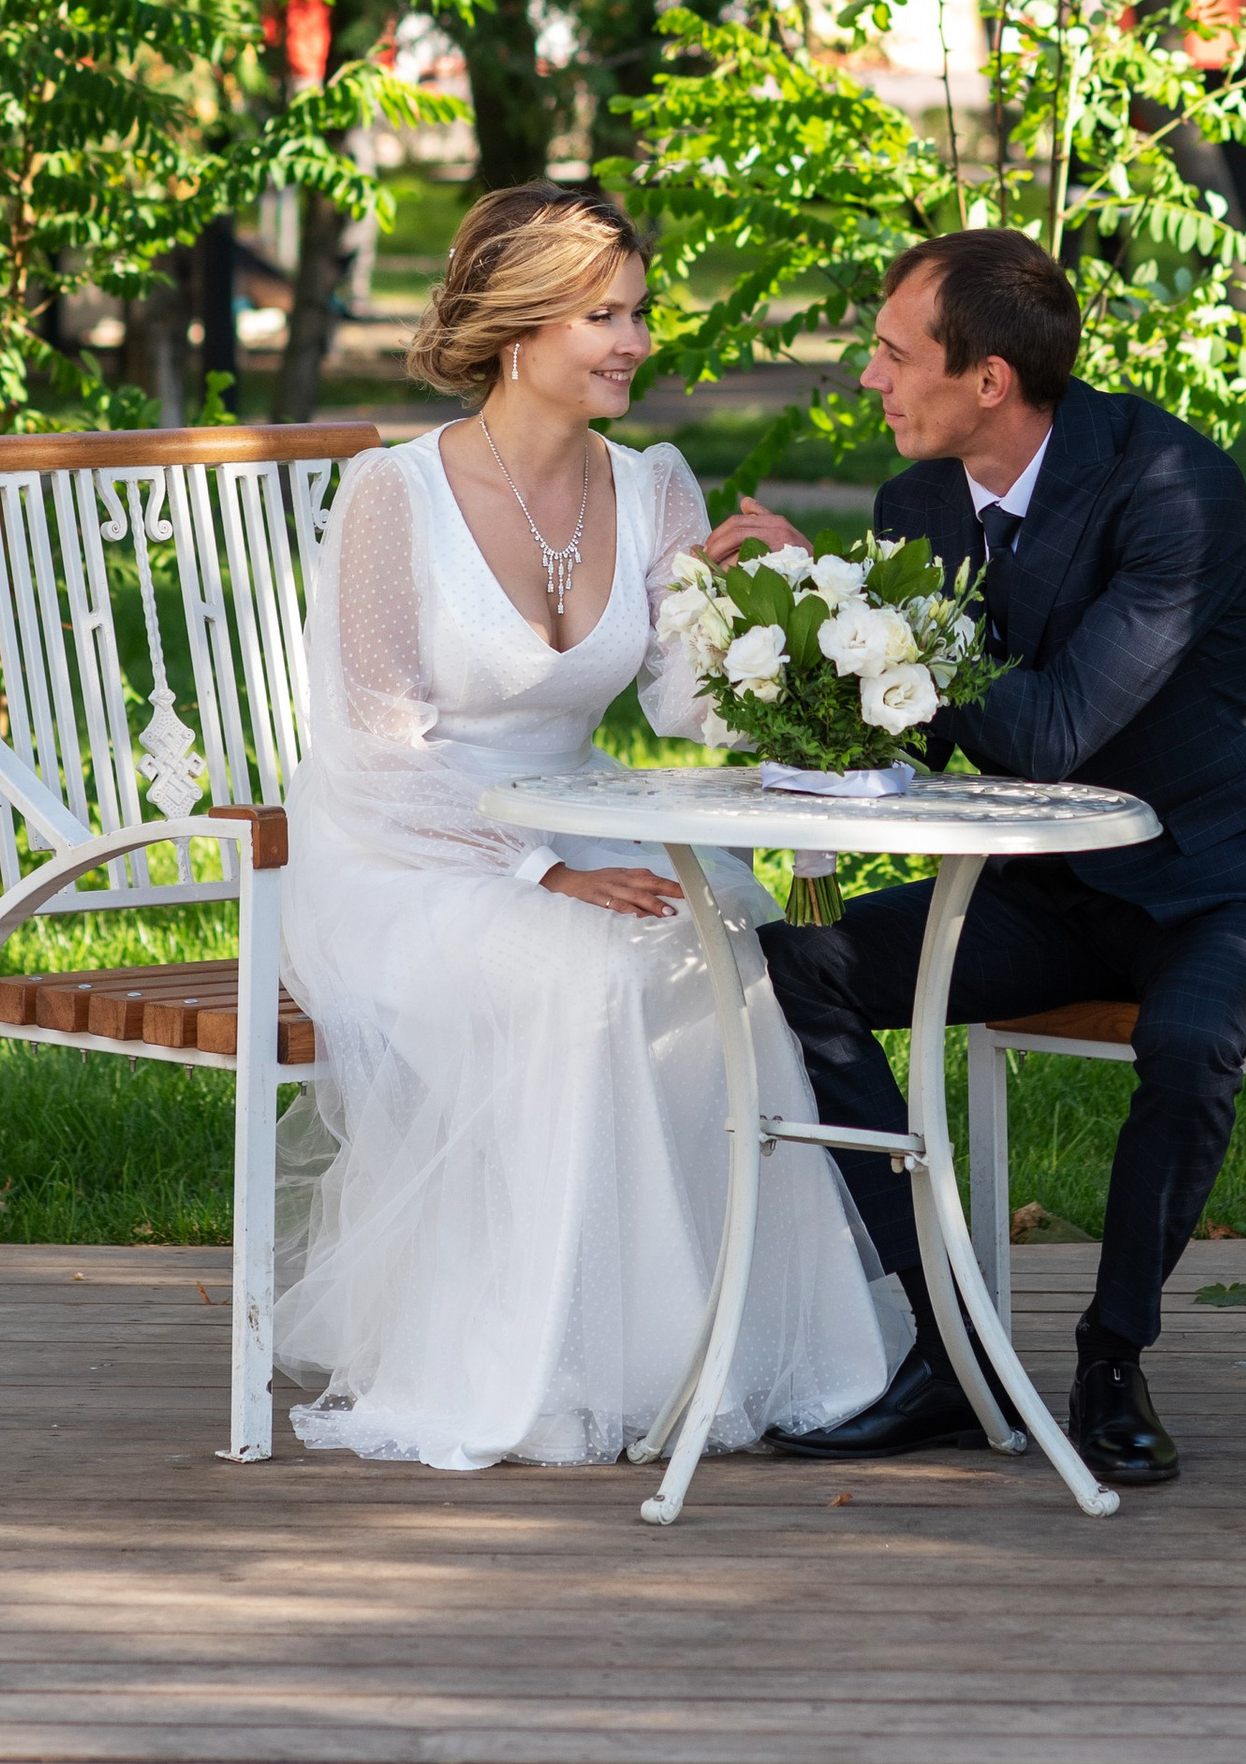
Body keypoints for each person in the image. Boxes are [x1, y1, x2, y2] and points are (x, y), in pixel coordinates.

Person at [274, 179, 898, 1471]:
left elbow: (683, 703)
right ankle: (556, 1365)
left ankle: (719, 1351)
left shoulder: (653, 479)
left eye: (637, 310)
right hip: (413, 847)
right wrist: (542, 865)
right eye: (601, 314)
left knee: (735, 936)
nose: (635, 339)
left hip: (578, 808)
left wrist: (764, 602)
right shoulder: (398, 493)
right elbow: (374, 753)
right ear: (519, 326)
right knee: (597, 967)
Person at [747, 227, 1246, 1487]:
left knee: (1189, 1043)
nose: (868, 376)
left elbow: (1042, 733)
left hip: (1227, 876)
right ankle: (946, 1347)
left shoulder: (1172, 487)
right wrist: (807, 624)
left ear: (988, 380)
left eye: (891, 351)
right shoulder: (917, 502)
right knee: (792, 967)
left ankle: (1109, 1355)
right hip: (1059, 882)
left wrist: (851, 606)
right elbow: (918, 730)